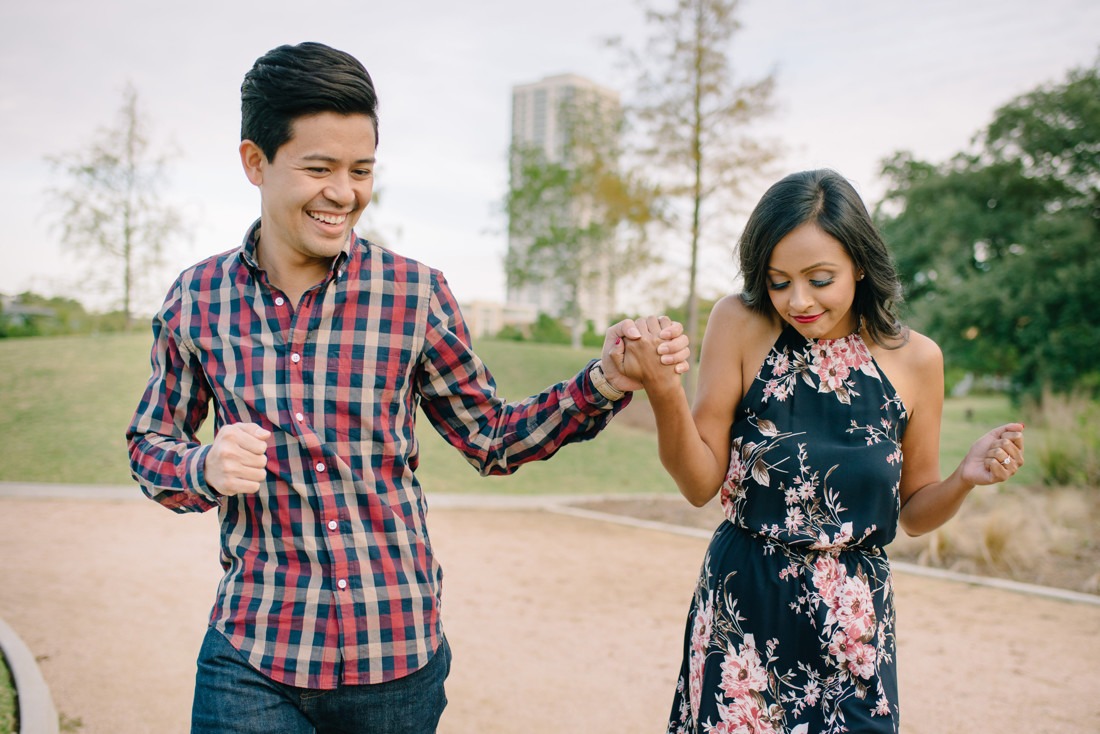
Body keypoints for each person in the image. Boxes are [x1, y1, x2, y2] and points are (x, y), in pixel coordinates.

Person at [125, 41, 690, 734]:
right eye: (319, 168)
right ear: (255, 162)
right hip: (253, 652)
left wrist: (604, 381)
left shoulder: (415, 295)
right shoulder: (198, 298)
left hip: (394, 659)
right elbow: (151, 443)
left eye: (361, 170)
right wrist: (201, 466)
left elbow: (492, 439)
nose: (345, 192)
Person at [621, 169, 1025, 734]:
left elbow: (912, 514)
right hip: (746, 603)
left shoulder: (918, 360)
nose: (798, 301)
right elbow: (697, 483)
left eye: (820, 279)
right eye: (779, 281)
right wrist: (664, 389)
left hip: (853, 620)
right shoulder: (738, 322)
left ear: (860, 264)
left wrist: (963, 477)